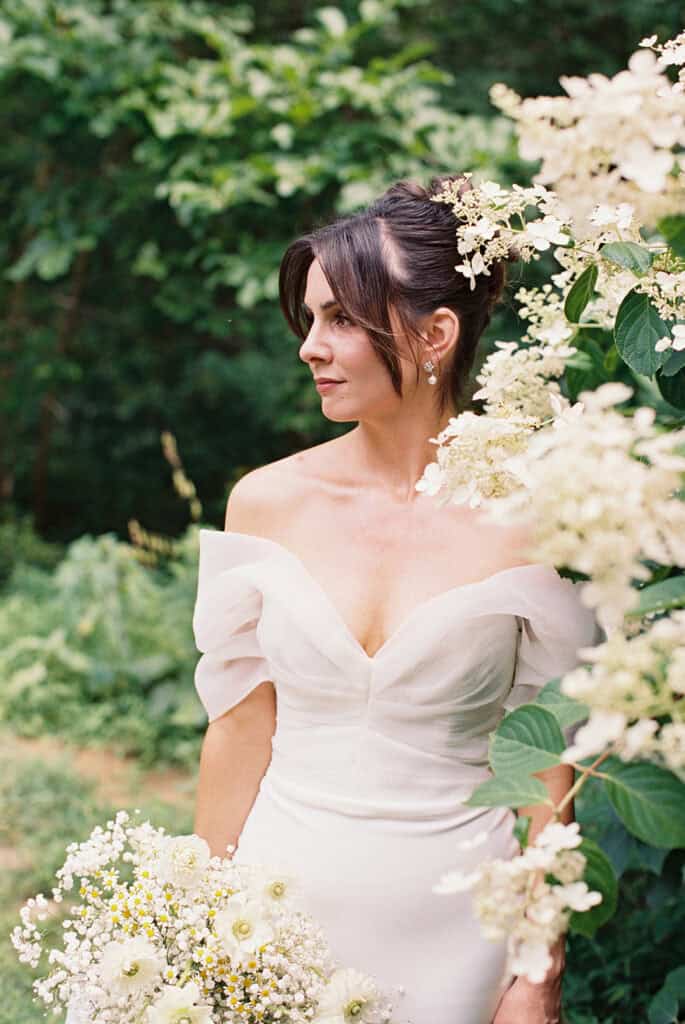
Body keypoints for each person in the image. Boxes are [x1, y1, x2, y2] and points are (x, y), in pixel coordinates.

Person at [192, 175, 601, 1024]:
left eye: (340, 318)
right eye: (309, 318)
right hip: (276, 908)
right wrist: (196, 920)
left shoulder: (536, 522)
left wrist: (536, 967)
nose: (309, 345)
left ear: (433, 336)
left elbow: (542, 753)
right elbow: (238, 727)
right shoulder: (265, 503)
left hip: (458, 932)